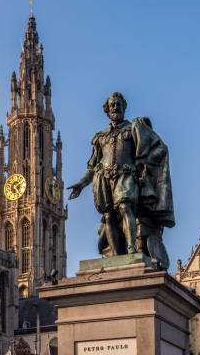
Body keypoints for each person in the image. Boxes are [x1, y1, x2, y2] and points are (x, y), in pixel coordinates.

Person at [68, 92, 175, 267]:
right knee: (109, 216)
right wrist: (81, 184)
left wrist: (143, 163)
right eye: (112, 105)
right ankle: (117, 256)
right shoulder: (100, 136)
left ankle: (131, 248)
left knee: (125, 207)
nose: (115, 108)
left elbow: (160, 147)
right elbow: (93, 165)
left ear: (124, 108)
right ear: (107, 110)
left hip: (126, 175)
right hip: (103, 178)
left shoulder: (134, 128)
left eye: (119, 105)